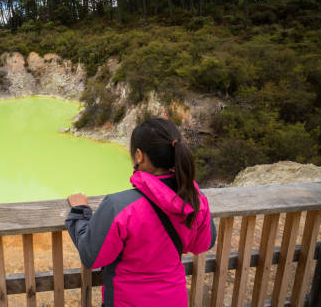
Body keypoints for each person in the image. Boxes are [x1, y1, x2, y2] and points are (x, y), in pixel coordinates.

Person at [66, 117, 217, 306]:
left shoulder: (120, 206)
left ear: (139, 155)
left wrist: (80, 212)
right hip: (174, 299)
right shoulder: (195, 199)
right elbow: (204, 243)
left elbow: (92, 256)